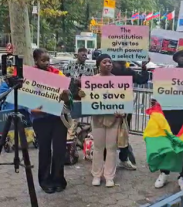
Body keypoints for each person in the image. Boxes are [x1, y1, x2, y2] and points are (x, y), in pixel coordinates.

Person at [152, 49, 183, 190]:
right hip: (170, 115)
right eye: (182, 55)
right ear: (176, 59)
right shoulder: (167, 74)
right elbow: (159, 92)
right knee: (167, 145)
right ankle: (164, 173)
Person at [30, 48, 71, 194]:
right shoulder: (30, 76)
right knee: (45, 150)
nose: (47, 63)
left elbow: (68, 98)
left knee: (59, 150)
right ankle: (45, 181)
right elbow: (28, 100)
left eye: (48, 59)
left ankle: (59, 179)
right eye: (43, 60)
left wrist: (66, 95)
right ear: (36, 61)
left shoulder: (57, 74)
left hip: (58, 118)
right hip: (41, 119)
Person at [81, 54, 123, 187]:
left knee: (111, 148)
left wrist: (121, 111)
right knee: (98, 147)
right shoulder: (92, 80)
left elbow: (123, 99)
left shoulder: (118, 81)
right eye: (105, 62)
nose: (108, 64)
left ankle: (109, 176)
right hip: (97, 118)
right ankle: (97, 175)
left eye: (110, 62)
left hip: (113, 119)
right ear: (99, 64)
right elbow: (85, 98)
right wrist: (82, 93)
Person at [107, 60, 150, 170]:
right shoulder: (106, 68)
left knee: (124, 133)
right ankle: (105, 162)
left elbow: (142, 79)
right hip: (107, 106)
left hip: (125, 107)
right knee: (107, 133)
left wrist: (144, 68)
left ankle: (123, 159)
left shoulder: (128, 71)